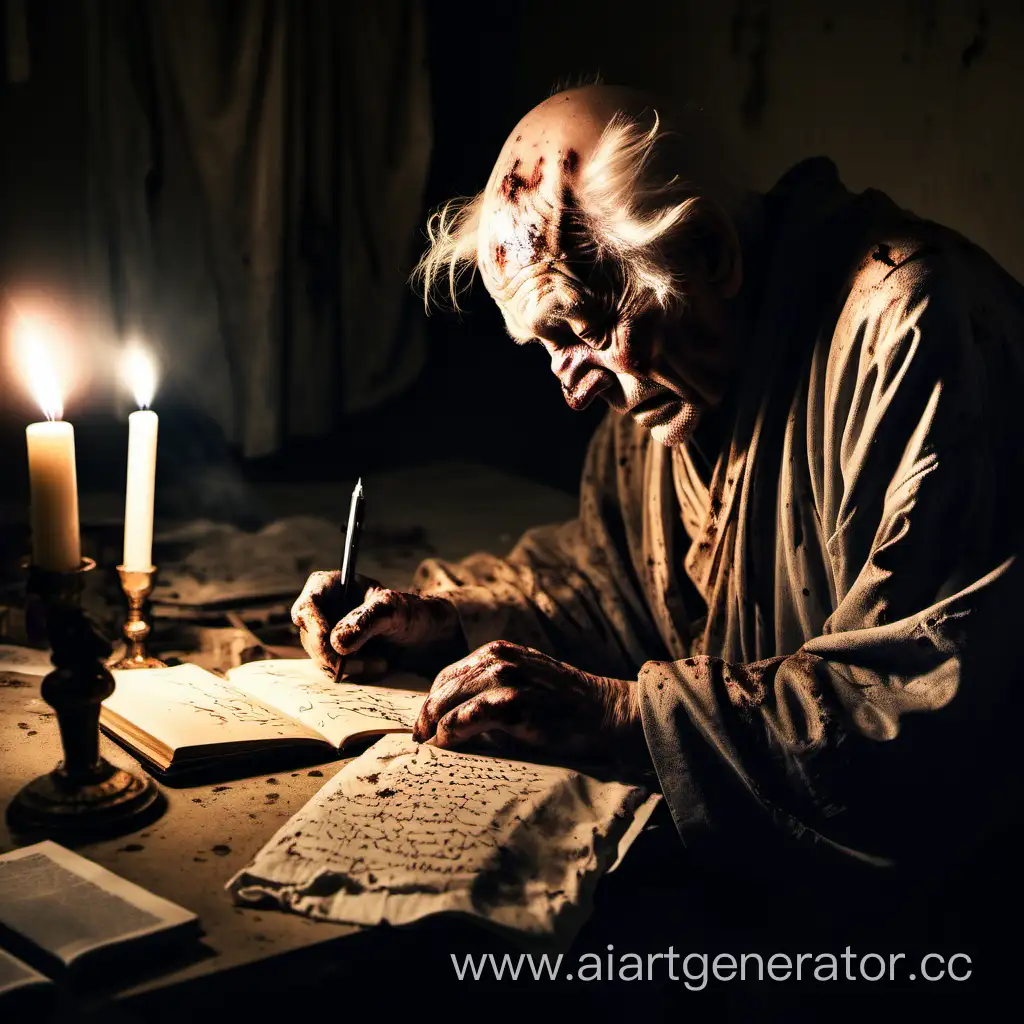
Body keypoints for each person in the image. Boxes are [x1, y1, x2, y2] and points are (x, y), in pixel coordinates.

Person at [292, 85, 1024, 878]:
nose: (574, 390)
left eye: (582, 328)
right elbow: (613, 584)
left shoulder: (916, 329)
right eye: (546, 347)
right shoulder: (667, 363)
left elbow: (926, 712)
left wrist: (621, 715)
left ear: (708, 250)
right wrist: (444, 622)